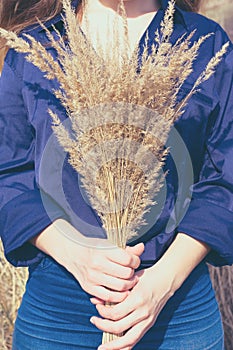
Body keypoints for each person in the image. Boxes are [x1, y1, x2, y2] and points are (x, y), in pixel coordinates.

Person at [0, 0, 233, 349]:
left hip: (178, 313)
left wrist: (161, 283)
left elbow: (224, 179)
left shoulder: (205, 43)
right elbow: (10, 175)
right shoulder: (37, 45)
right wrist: (77, 257)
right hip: (59, 313)